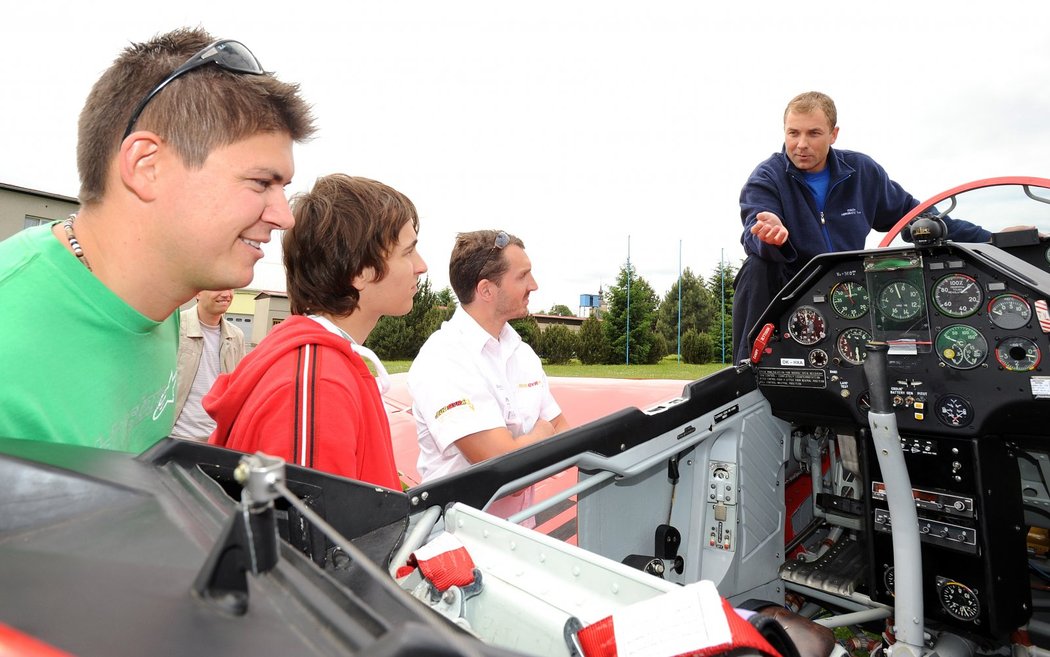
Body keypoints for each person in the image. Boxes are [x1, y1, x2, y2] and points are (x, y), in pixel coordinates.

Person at [0, 28, 314, 451]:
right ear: (148, 166)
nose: (285, 217)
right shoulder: (11, 338)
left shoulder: (158, 303)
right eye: (261, 182)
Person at [732, 90, 991, 363]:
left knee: (899, 270)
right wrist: (771, 237)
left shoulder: (862, 172)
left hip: (849, 284)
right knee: (756, 267)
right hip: (792, 283)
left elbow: (916, 218)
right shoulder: (767, 176)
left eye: (814, 133)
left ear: (834, 134)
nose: (801, 144)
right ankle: (745, 369)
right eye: (793, 133)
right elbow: (754, 230)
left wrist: (990, 239)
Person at [205, 175, 427, 489]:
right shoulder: (317, 382)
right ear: (359, 271)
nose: (422, 266)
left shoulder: (324, 362)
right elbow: (311, 533)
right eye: (408, 252)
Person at [409, 230, 569, 523]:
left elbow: (565, 433)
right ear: (486, 290)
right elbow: (500, 470)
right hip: (459, 546)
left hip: (519, 533)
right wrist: (542, 433)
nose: (534, 285)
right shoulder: (442, 359)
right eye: (522, 276)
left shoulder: (521, 353)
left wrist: (525, 446)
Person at [171, 290, 246, 441]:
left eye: (230, 288)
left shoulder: (236, 336)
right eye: (218, 287)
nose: (226, 294)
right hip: (177, 435)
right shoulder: (176, 326)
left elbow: (240, 387)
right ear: (197, 293)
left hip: (217, 438)